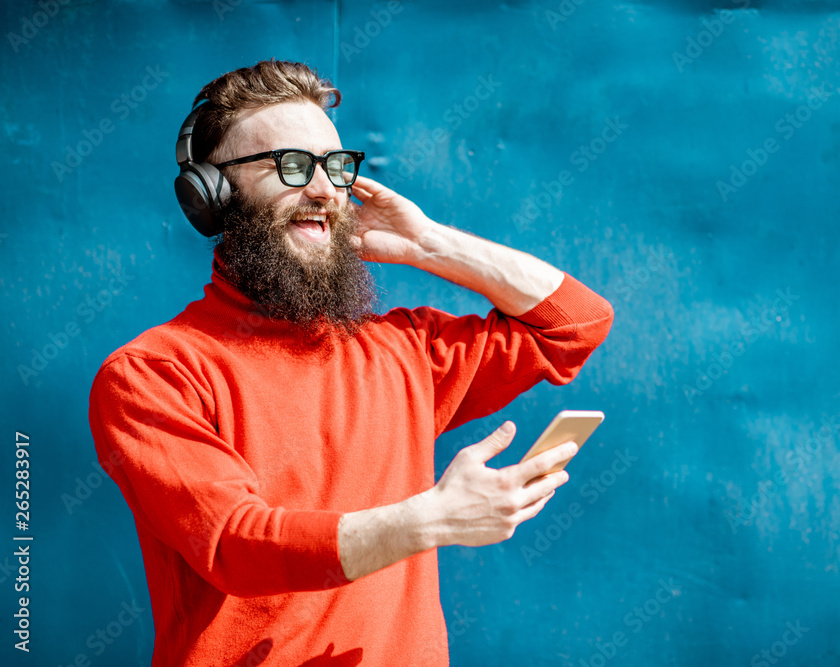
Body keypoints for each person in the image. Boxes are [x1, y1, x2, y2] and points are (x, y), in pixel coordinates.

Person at [89, 59, 613, 666]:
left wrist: (428, 244)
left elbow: (574, 323)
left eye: (335, 168)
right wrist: (428, 520)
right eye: (290, 166)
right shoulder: (153, 373)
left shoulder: (402, 350)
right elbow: (235, 543)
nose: (322, 191)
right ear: (213, 196)